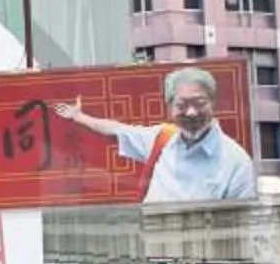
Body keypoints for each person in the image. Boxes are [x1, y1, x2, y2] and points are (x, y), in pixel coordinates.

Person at [52, 68, 258, 203]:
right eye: (182, 105)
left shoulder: (237, 162)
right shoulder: (161, 138)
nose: (191, 112)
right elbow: (115, 130)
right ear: (169, 107)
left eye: (199, 103)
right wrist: (78, 117)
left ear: (213, 103)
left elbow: (243, 227)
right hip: (154, 260)